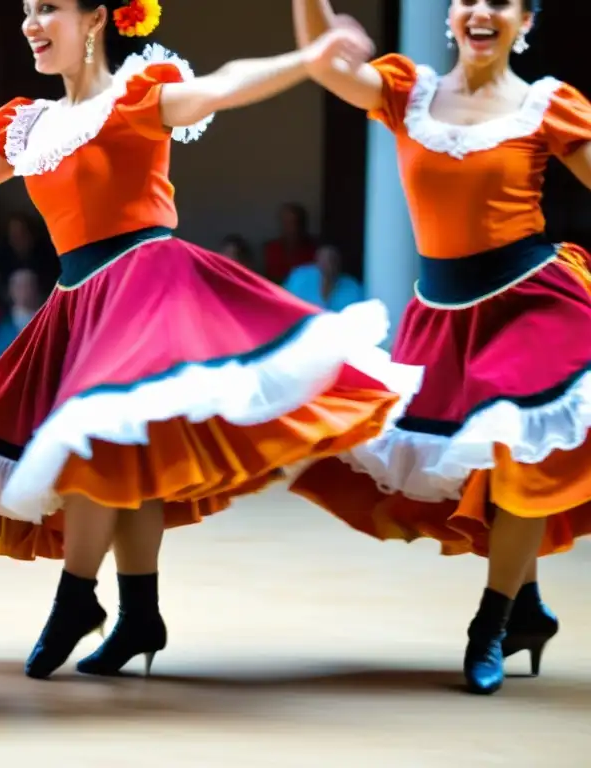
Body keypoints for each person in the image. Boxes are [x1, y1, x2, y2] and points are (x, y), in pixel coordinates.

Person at [0, 0, 420, 680]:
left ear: (94, 20)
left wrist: (306, 60)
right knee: (125, 454)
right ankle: (140, 615)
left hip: (147, 287)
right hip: (79, 303)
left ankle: (76, 599)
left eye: (49, 8)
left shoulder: (141, 94)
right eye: (25, 10)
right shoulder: (27, 126)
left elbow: (224, 84)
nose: (31, 22)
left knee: (97, 436)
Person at [288, 0, 591, 695]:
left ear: (527, 21)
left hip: (531, 304)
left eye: (501, 1)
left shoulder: (548, 106)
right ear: (452, 17)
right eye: (467, 0)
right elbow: (321, 59)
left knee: (519, 453)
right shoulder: (407, 91)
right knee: (481, 467)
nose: (481, 10)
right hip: (444, 317)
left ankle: (490, 622)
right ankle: (529, 609)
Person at [283, 244, 363, 311]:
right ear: (317, 258)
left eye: (333, 259)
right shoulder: (299, 278)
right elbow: (284, 306)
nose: (328, 264)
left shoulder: (352, 288)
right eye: (324, 258)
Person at [262, 202, 317, 283]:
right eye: (286, 223)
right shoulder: (271, 248)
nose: (292, 228)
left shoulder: (315, 250)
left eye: (295, 222)